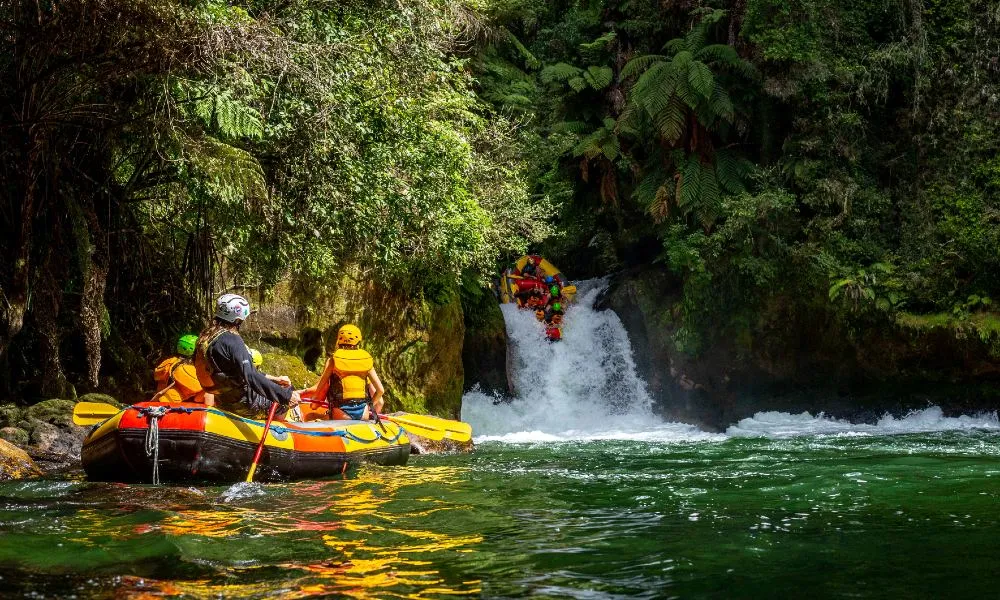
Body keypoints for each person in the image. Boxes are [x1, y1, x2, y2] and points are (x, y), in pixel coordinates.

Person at [193, 294, 300, 417]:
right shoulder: (232, 339)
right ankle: (282, 430)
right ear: (238, 319)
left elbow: (233, 373)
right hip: (246, 404)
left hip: (223, 402)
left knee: (278, 387)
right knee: (287, 392)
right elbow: (251, 376)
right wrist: (286, 396)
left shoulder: (206, 337)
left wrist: (275, 379)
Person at [300, 324, 385, 421]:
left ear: (339, 340)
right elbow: (380, 391)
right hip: (363, 414)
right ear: (358, 341)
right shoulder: (366, 361)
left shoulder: (333, 360)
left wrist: (314, 401)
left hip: (342, 414)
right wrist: (369, 407)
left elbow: (321, 386)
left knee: (310, 417)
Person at [152, 334, 209, 404]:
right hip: (185, 406)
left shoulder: (169, 362)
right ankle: (211, 411)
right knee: (209, 392)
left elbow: (160, 387)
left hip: (164, 401)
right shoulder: (197, 368)